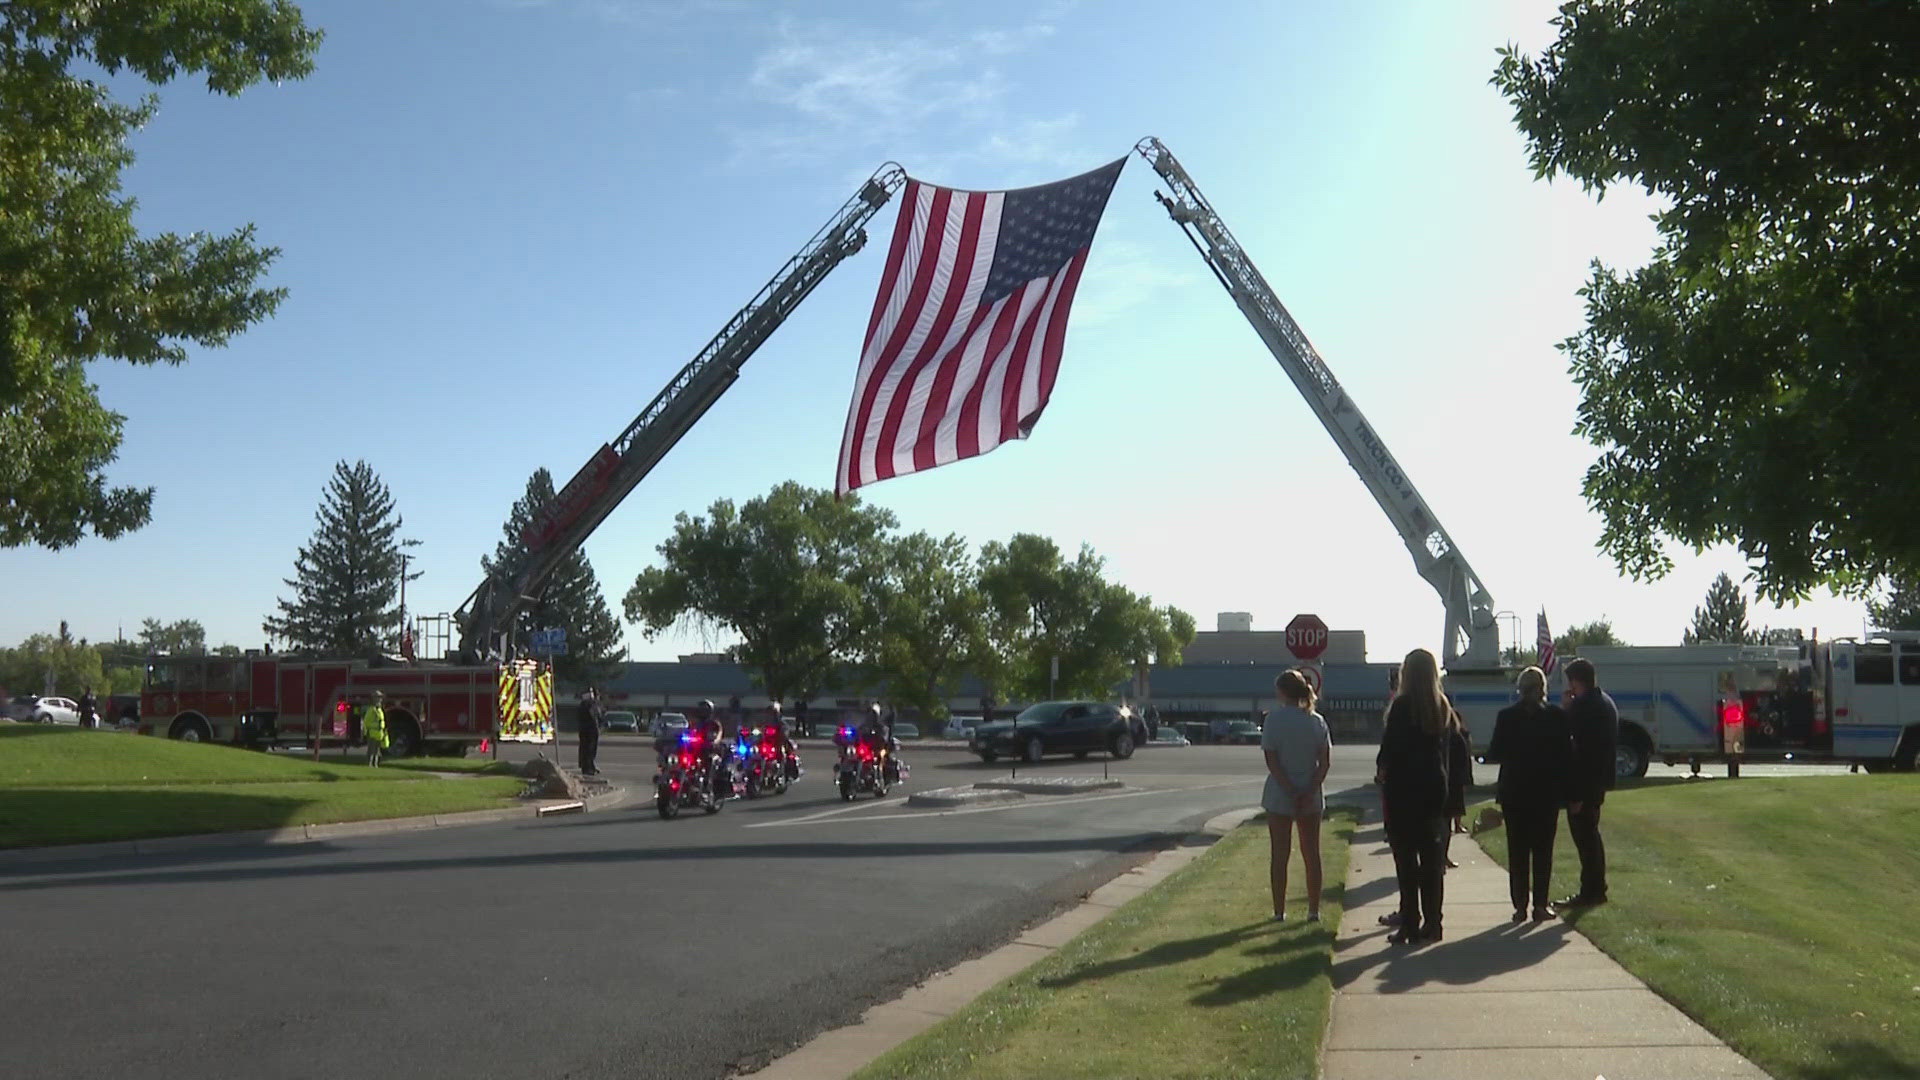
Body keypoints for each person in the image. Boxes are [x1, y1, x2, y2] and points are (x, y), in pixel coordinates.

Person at [1485, 666, 1576, 921]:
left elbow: (1496, 752)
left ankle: (1519, 905)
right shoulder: (1556, 716)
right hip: (1545, 792)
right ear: (1543, 688)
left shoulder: (1506, 717)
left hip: (1514, 791)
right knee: (1543, 850)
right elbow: (1566, 758)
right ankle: (1540, 904)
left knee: (1518, 850)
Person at [1376, 648, 1453, 943]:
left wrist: (1382, 770)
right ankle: (1434, 923)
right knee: (1432, 861)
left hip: (1404, 788)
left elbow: (1390, 750)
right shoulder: (1441, 706)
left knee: (1406, 860)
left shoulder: (1401, 706)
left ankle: (1410, 921)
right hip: (1434, 787)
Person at [1262, 669, 1332, 923]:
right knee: (1311, 852)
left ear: (1282, 692)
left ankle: (1279, 911)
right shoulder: (1316, 721)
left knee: (1279, 854)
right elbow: (1324, 763)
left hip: (1280, 792)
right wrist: (1309, 790)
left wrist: (1290, 790)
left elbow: (1272, 760)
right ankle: (1313, 910)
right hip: (1310, 793)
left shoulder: (1273, 720)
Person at [1559, 657, 1619, 908]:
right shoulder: (1605, 702)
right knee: (1591, 836)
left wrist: (1576, 795)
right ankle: (1596, 888)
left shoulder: (1584, 707)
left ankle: (1591, 890)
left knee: (1586, 839)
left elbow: (1578, 750)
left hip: (1585, 784)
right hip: (1599, 780)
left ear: (1576, 681)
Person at [1442, 713, 1474, 868]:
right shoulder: (1456, 737)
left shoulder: (1433, 734)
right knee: (1444, 824)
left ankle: (1438, 858)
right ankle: (1442, 857)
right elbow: (1464, 761)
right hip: (1452, 784)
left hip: (1441, 783)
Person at [576, 686, 603, 776]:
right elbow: (595, 716)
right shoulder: (592, 704)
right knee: (590, 749)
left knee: (584, 748)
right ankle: (588, 768)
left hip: (583, 729)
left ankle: (587, 766)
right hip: (591, 729)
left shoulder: (583, 704)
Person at [363, 691, 388, 768]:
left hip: (379, 734)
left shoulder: (379, 710)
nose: (380, 699)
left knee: (377, 751)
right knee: (371, 750)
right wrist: (366, 732)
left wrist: (383, 731)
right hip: (372, 734)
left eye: (380, 698)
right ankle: (370, 764)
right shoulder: (371, 710)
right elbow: (366, 722)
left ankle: (375, 764)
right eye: (378, 697)